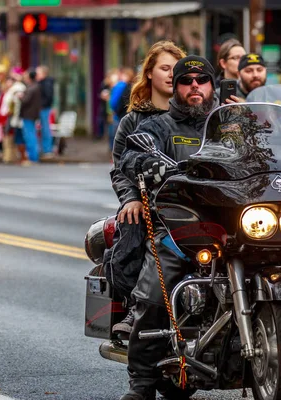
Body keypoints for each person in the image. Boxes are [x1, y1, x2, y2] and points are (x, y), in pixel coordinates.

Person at [119, 55, 281, 400]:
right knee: (156, 291)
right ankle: (141, 382)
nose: (194, 87)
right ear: (175, 86)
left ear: (212, 84)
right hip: (182, 228)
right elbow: (131, 155)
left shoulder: (235, 124)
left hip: (236, 226)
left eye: (201, 80)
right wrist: (148, 162)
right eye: (186, 81)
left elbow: (276, 152)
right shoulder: (159, 127)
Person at [109, 41, 186, 336]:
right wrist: (131, 199)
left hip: (191, 202)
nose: (170, 75)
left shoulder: (198, 116)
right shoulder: (133, 121)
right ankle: (136, 309)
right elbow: (120, 168)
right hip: (149, 201)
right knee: (135, 224)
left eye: (175, 70)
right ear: (150, 73)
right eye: (164, 68)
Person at [19, 70, 42, 165]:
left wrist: (21, 97)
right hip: (32, 114)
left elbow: (25, 101)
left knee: (29, 136)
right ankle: (33, 156)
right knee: (31, 135)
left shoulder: (31, 88)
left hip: (28, 114)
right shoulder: (36, 87)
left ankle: (32, 157)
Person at [36, 65, 55, 159]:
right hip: (42, 108)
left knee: (45, 129)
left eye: (38, 72)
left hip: (44, 109)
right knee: (42, 129)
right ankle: (44, 149)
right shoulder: (41, 83)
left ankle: (47, 150)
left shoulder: (46, 83)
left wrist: (41, 105)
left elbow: (48, 97)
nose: (36, 74)